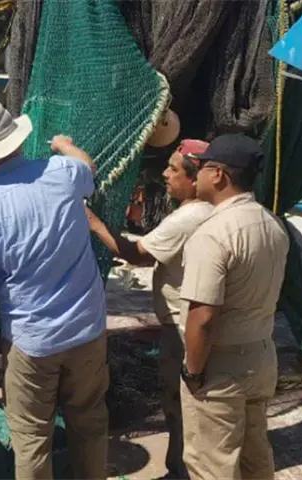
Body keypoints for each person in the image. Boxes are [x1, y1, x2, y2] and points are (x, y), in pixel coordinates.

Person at [0, 99, 108, 480]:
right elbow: (89, 168)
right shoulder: (63, 171)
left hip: (31, 343)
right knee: (89, 425)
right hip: (87, 329)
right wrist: (65, 146)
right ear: (18, 139)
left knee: (31, 441)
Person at [87, 139, 213, 480]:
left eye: (173, 169)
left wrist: (95, 224)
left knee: (179, 404)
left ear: (195, 178)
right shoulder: (216, 212)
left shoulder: (187, 218)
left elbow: (137, 254)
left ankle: (182, 470)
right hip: (203, 326)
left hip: (183, 329)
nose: (165, 174)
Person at [178, 134, 289, 480]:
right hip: (261, 356)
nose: (196, 174)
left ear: (219, 175)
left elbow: (203, 318)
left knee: (212, 464)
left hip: (220, 366)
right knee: (255, 457)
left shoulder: (213, 234)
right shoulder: (273, 224)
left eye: (202, 167)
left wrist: (193, 372)